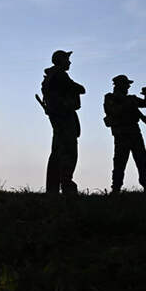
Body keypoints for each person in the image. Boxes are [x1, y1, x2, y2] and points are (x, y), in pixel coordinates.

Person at [41, 50, 85, 195]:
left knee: (57, 152)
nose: (69, 62)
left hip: (59, 118)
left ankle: (53, 188)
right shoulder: (60, 75)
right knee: (69, 152)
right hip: (64, 117)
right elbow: (80, 89)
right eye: (67, 59)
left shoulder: (52, 76)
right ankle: (66, 185)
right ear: (60, 60)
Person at [103, 75, 146, 194]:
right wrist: (127, 104)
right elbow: (112, 111)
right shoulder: (110, 97)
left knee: (141, 160)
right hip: (121, 134)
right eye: (126, 85)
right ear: (120, 86)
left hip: (134, 132)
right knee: (120, 162)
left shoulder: (131, 99)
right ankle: (116, 189)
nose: (128, 87)